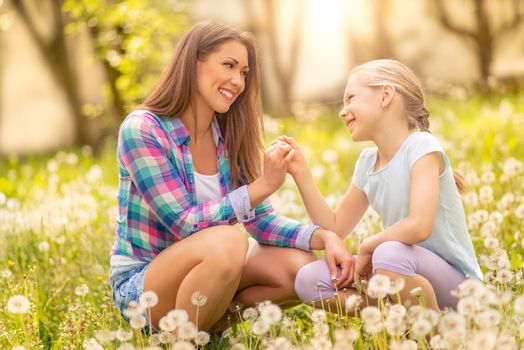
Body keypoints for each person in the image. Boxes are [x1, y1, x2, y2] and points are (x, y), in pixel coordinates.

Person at [108, 21, 352, 332]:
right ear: (193, 62)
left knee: (298, 266)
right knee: (228, 242)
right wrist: (261, 186)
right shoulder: (143, 129)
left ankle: (207, 326)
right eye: (229, 65)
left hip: (209, 268)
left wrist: (324, 237)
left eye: (244, 73)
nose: (237, 81)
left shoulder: (228, 133)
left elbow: (260, 221)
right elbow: (183, 223)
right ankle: (184, 341)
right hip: (142, 286)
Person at [280, 59, 482, 311]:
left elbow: (419, 226)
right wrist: (301, 172)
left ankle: (435, 339)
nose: (342, 112)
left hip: (460, 290)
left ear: (386, 95)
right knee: (309, 280)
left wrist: (367, 248)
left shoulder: (421, 147)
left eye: (351, 98)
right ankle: (401, 322)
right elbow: (334, 227)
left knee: (388, 254)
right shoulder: (367, 163)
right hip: (395, 270)